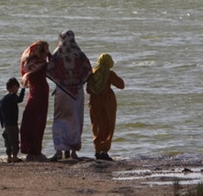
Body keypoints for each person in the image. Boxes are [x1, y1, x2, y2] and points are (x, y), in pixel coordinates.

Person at [45, 30, 92, 161]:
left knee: (60, 120)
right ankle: (73, 152)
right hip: (77, 93)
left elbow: (49, 70)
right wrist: (79, 82)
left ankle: (59, 151)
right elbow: (88, 70)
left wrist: (62, 81)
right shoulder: (79, 53)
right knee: (75, 121)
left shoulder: (58, 53)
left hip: (62, 92)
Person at [87, 53, 125, 161]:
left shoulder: (92, 72)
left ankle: (97, 150)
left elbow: (88, 89)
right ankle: (104, 150)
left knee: (96, 125)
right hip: (107, 102)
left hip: (94, 102)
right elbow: (121, 85)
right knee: (108, 125)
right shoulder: (109, 73)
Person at [19, 40, 51, 162]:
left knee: (30, 120)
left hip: (34, 93)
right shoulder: (42, 63)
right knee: (38, 122)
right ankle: (35, 151)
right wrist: (49, 55)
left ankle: (30, 150)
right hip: (40, 92)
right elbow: (55, 66)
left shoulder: (28, 63)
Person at [0, 77, 26, 163]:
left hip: (6, 125)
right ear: (14, 87)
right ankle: (15, 157)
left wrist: (2, 124)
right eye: (17, 88)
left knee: (7, 142)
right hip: (13, 124)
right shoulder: (12, 96)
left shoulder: (1, 100)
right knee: (15, 141)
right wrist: (23, 89)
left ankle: (9, 157)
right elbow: (20, 99)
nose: (17, 90)